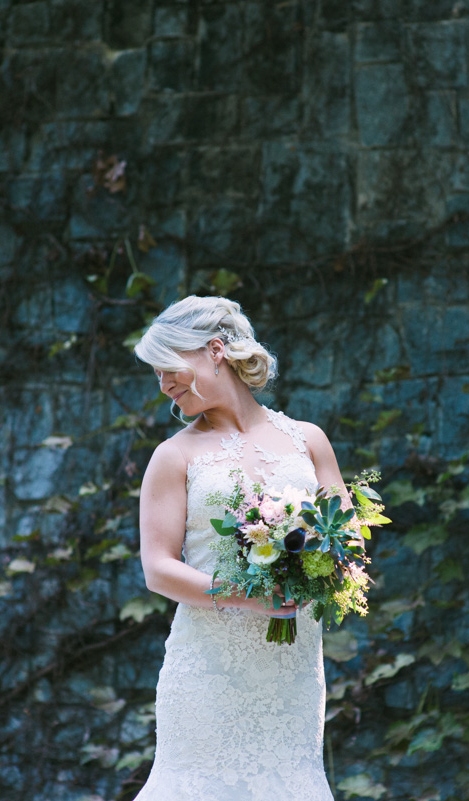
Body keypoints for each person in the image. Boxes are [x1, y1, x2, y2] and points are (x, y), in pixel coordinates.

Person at [131, 295, 344, 800]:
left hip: (291, 675)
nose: (163, 385)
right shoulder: (173, 455)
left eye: (168, 368)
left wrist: (325, 563)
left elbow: (347, 536)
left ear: (215, 350)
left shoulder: (308, 440)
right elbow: (158, 570)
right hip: (207, 672)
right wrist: (247, 595)